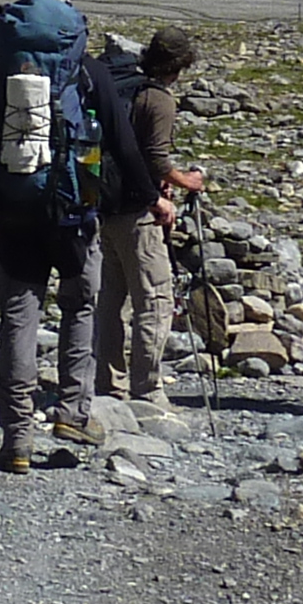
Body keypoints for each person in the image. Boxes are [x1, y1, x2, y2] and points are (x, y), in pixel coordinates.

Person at [0, 0, 144, 471]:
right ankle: (72, 412)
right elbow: (122, 142)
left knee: (19, 315)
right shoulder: (86, 69)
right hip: (73, 212)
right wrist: (146, 197)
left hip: (12, 207)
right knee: (80, 306)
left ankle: (16, 438)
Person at [93, 25, 205, 414]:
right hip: (138, 212)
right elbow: (156, 158)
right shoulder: (158, 99)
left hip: (103, 203)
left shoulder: (123, 87)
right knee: (154, 298)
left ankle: (109, 384)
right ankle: (147, 389)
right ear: (178, 65)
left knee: (111, 298)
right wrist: (185, 181)